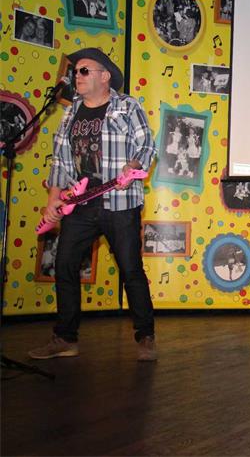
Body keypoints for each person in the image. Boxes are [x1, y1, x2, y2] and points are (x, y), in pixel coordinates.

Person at [28, 47, 158, 362]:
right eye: (76, 71)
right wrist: (53, 200)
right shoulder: (70, 111)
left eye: (84, 70)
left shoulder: (126, 106)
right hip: (81, 204)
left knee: (130, 269)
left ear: (105, 76)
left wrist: (133, 165)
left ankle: (145, 336)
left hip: (120, 202)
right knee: (64, 265)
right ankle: (65, 338)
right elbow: (60, 161)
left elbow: (146, 146)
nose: (78, 75)